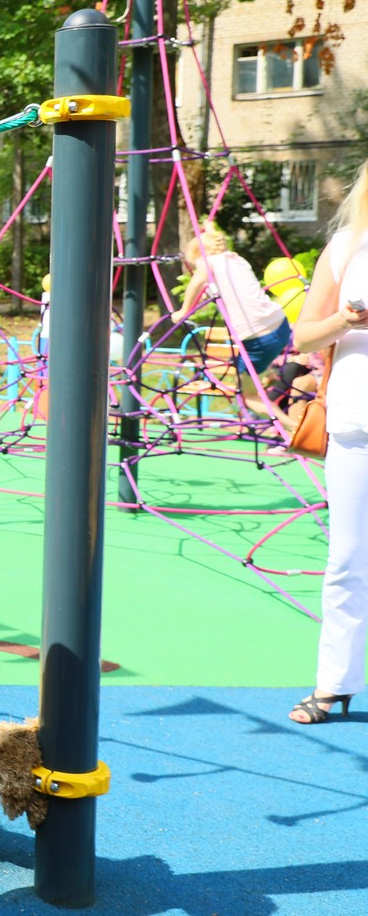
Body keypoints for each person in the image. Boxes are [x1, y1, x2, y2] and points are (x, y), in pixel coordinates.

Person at [288, 159, 368, 724]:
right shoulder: (347, 248)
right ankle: (334, 683)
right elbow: (304, 335)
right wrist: (345, 320)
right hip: (355, 422)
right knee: (346, 559)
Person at [172, 228, 290, 418]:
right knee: (250, 371)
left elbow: (197, 282)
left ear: (198, 255)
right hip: (280, 324)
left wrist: (183, 311)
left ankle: (295, 431)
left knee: (247, 396)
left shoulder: (207, 261)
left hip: (258, 337)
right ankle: (268, 373)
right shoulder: (235, 259)